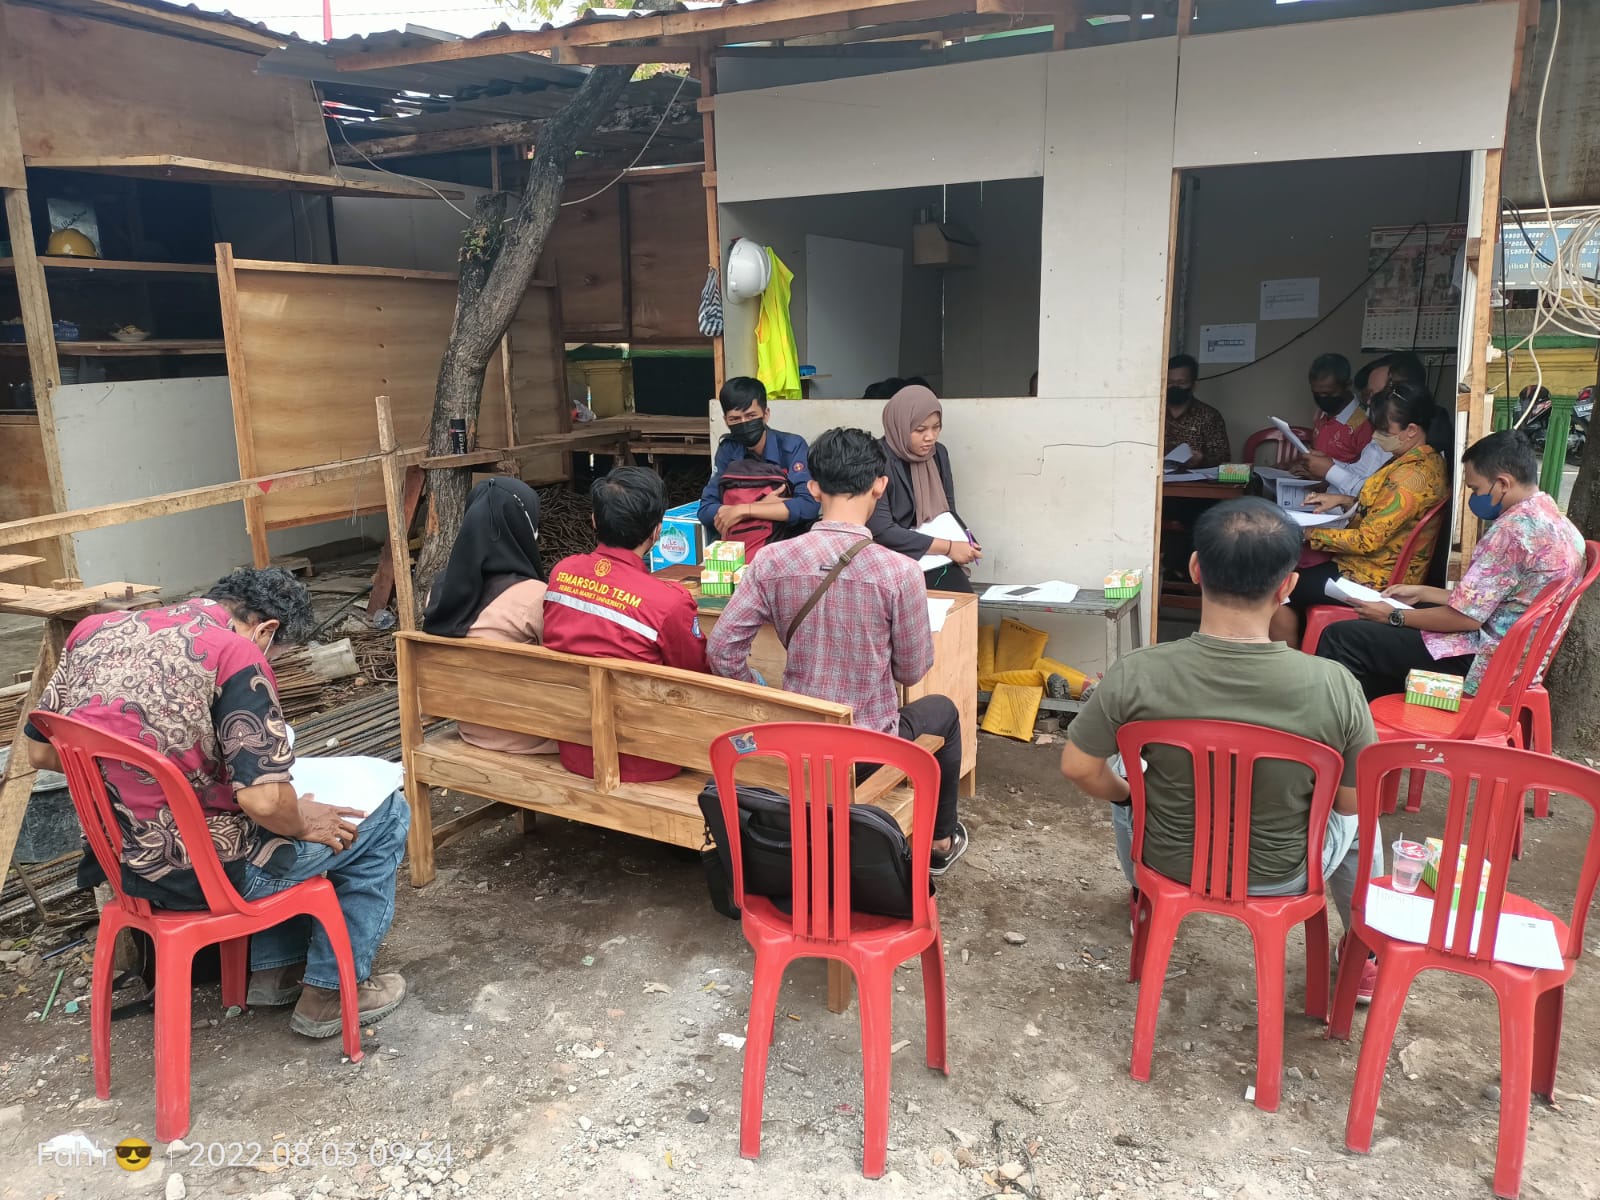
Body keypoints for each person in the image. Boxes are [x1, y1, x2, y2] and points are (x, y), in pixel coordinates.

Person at [24, 568, 409, 1038]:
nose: (270, 663)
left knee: (261, 817)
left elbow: (42, 752)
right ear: (266, 631)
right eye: (277, 655)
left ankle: (276, 971)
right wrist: (301, 821)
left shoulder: (92, 632)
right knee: (386, 815)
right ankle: (330, 993)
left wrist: (158, 775)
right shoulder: (233, 652)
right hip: (202, 875)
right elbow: (264, 802)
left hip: (119, 861)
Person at [1059, 499, 1379, 996]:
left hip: (1167, 861)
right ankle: (1365, 952)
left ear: (1194, 568)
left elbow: (1079, 767)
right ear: (1288, 586)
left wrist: (1130, 797)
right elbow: (1352, 803)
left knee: (1124, 769)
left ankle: (1145, 897)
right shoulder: (1335, 685)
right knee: (1364, 820)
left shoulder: (1137, 672)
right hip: (1284, 875)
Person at [706, 427, 969, 873]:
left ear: (813, 488)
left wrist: (765, 694)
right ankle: (940, 842)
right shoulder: (900, 572)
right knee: (942, 710)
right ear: (880, 485)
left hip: (794, 744)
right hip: (868, 752)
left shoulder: (771, 560)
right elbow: (911, 671)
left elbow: (722, 650)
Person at [1317, 430, 1585, 701]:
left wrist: (1394, 616)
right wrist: (1423, 592)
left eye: (1476, 489)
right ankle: (1380, 712)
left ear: (1503, 483)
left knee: (1343, 638)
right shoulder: (1559, 523)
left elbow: (1466, 618)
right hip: (1516, 660)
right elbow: (1498, 600)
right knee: (1395, 626)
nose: (1474, 497)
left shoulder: (1511, 532)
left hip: (1483, 665)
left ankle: (1347, 722)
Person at [543, 466, 709, 782]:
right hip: (650, 758)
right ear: (657, 531)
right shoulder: (669, 602)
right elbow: (697, 676)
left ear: (594, 520)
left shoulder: (561, 575)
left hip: (576, 750)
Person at [1270, 382, 1449, 647]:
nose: (1376, 436)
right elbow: (1388, 510)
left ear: (1411, 430)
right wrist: (1345, 501)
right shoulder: (1420, 462)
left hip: (1371, 581)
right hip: (1370, 569)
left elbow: (1367, 540)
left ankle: (1290, 661)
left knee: (1276, 588)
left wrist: (1307, 532)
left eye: (1384, 430)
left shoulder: (1410, 478)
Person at [422, 477, 556, 755]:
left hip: (472, 730)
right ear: (522, 528)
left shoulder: (439, 592)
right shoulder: (535, 597)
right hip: (534, 736)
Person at [868, 384, 980, 594]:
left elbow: (948, 510)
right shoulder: (876, 459)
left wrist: (966, 539)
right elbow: (882, 530)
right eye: (920, 430)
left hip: (933, 556)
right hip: (892, 558)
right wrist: (949, 547)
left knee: (963, 600)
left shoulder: (938, 454)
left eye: (936, 427)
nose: (930, 437)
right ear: (899, 426)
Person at [698, 376, 820, 549]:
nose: (744, 423)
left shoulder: (792, 446)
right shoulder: (728, 450)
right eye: (735, 419)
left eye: (751, 416)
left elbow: (808, 506)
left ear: (766, 414)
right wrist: (766, 506)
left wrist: (743, 510)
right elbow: (706, 509)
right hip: (740, 548)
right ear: (726, 421)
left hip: (786, 545)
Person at [1164, 354, 1231, 468]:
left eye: (1181, 383)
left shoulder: (1209, 416)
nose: (1175, 387)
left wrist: (1202, 460)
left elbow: (1223, 458)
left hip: (1195, 476)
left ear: (1194, 385)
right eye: (1170, 382)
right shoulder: (1151, 413)